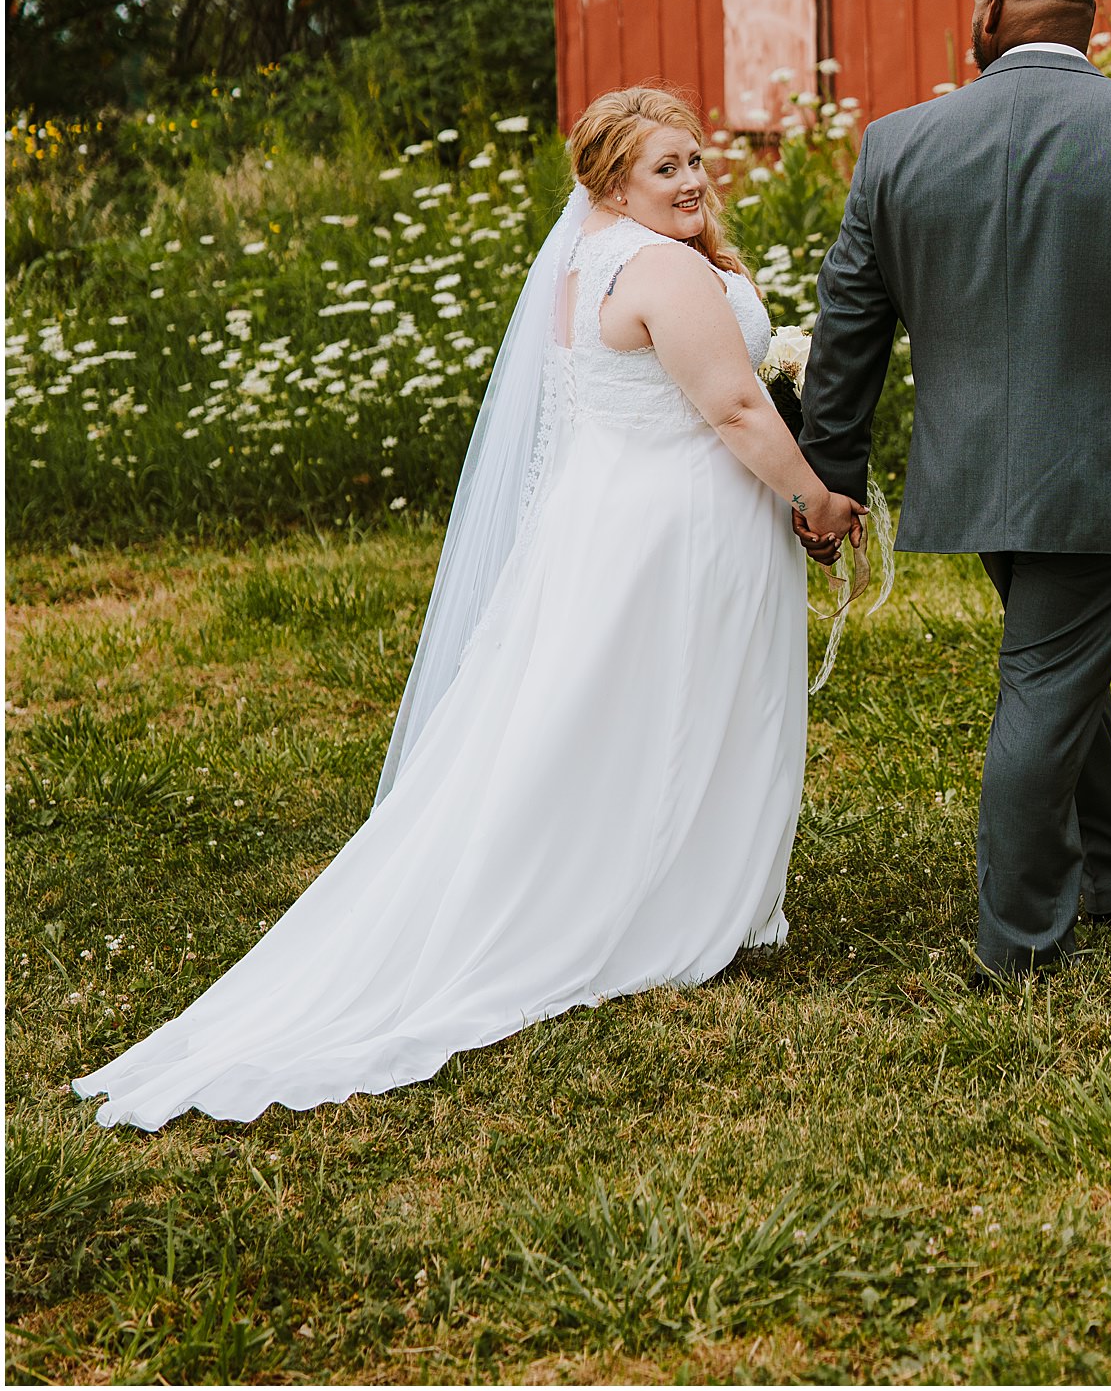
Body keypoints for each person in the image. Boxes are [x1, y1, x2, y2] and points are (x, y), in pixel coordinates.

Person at [75, 87, 862, 1131]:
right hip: (674, 524)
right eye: (664, 166)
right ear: (611, 179)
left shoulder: (589, 259)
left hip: (608, 514)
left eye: (694, 159)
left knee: (607, 713)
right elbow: (726, 405)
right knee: (671, 707)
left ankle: (654, 873)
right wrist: (812, 497)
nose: (691, 179)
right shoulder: (663, 265)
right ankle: (655, 900)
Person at [797, 0, 1111, 981]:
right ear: (1087, 14)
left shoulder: (896, 143)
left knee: (1055, 659)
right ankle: (1018, 946)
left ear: (992, 11)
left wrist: (831, 475)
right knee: (1046, 680)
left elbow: (849, 323)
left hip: (974, 477)